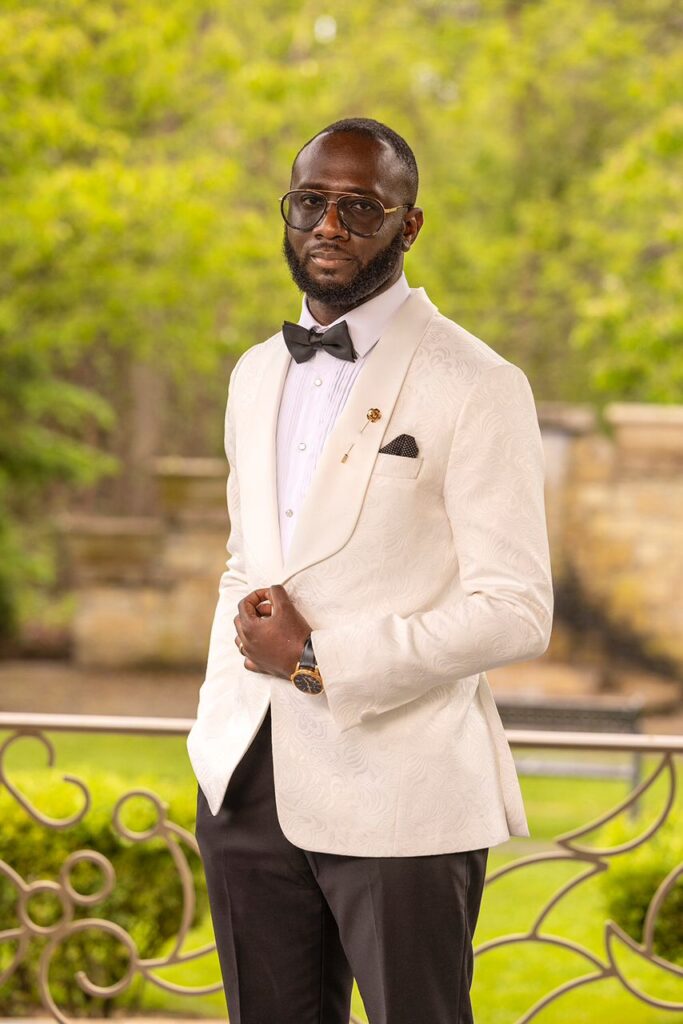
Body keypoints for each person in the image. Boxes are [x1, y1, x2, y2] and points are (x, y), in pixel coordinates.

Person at [187, 117, 553, 1024]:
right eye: (310, 201)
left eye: (360, 206)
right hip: (246, 779)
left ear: (408, 224)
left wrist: (320, 661)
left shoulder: (477, 382)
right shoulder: (252, 373)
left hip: (402, 790)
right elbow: (248, 560)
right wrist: (220, 728)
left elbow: (515, 609)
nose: (329, 225)